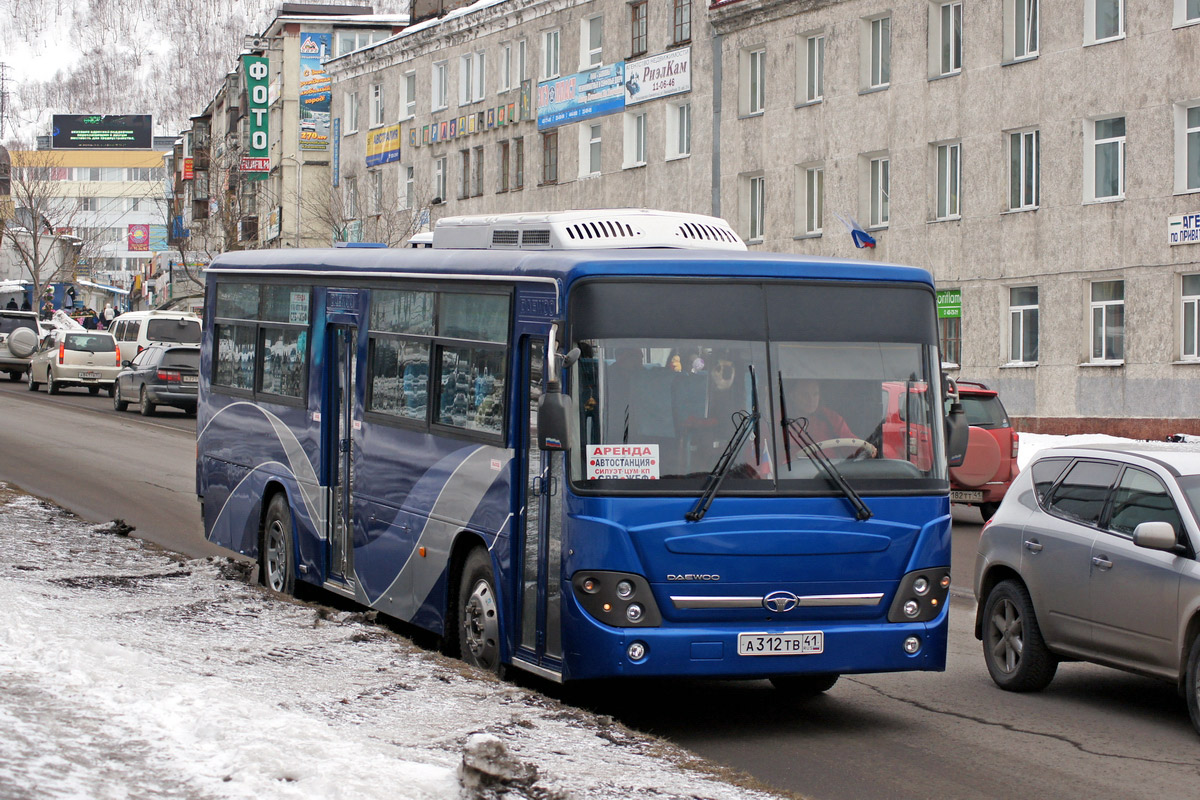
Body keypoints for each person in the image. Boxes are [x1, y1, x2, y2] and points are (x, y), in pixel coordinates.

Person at [790, 378, 855, 443]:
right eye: (805, 395)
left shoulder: (829, 417)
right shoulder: (782, 420)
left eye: (815, 394)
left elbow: (853, 444)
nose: (811, 400)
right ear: (792, 396)